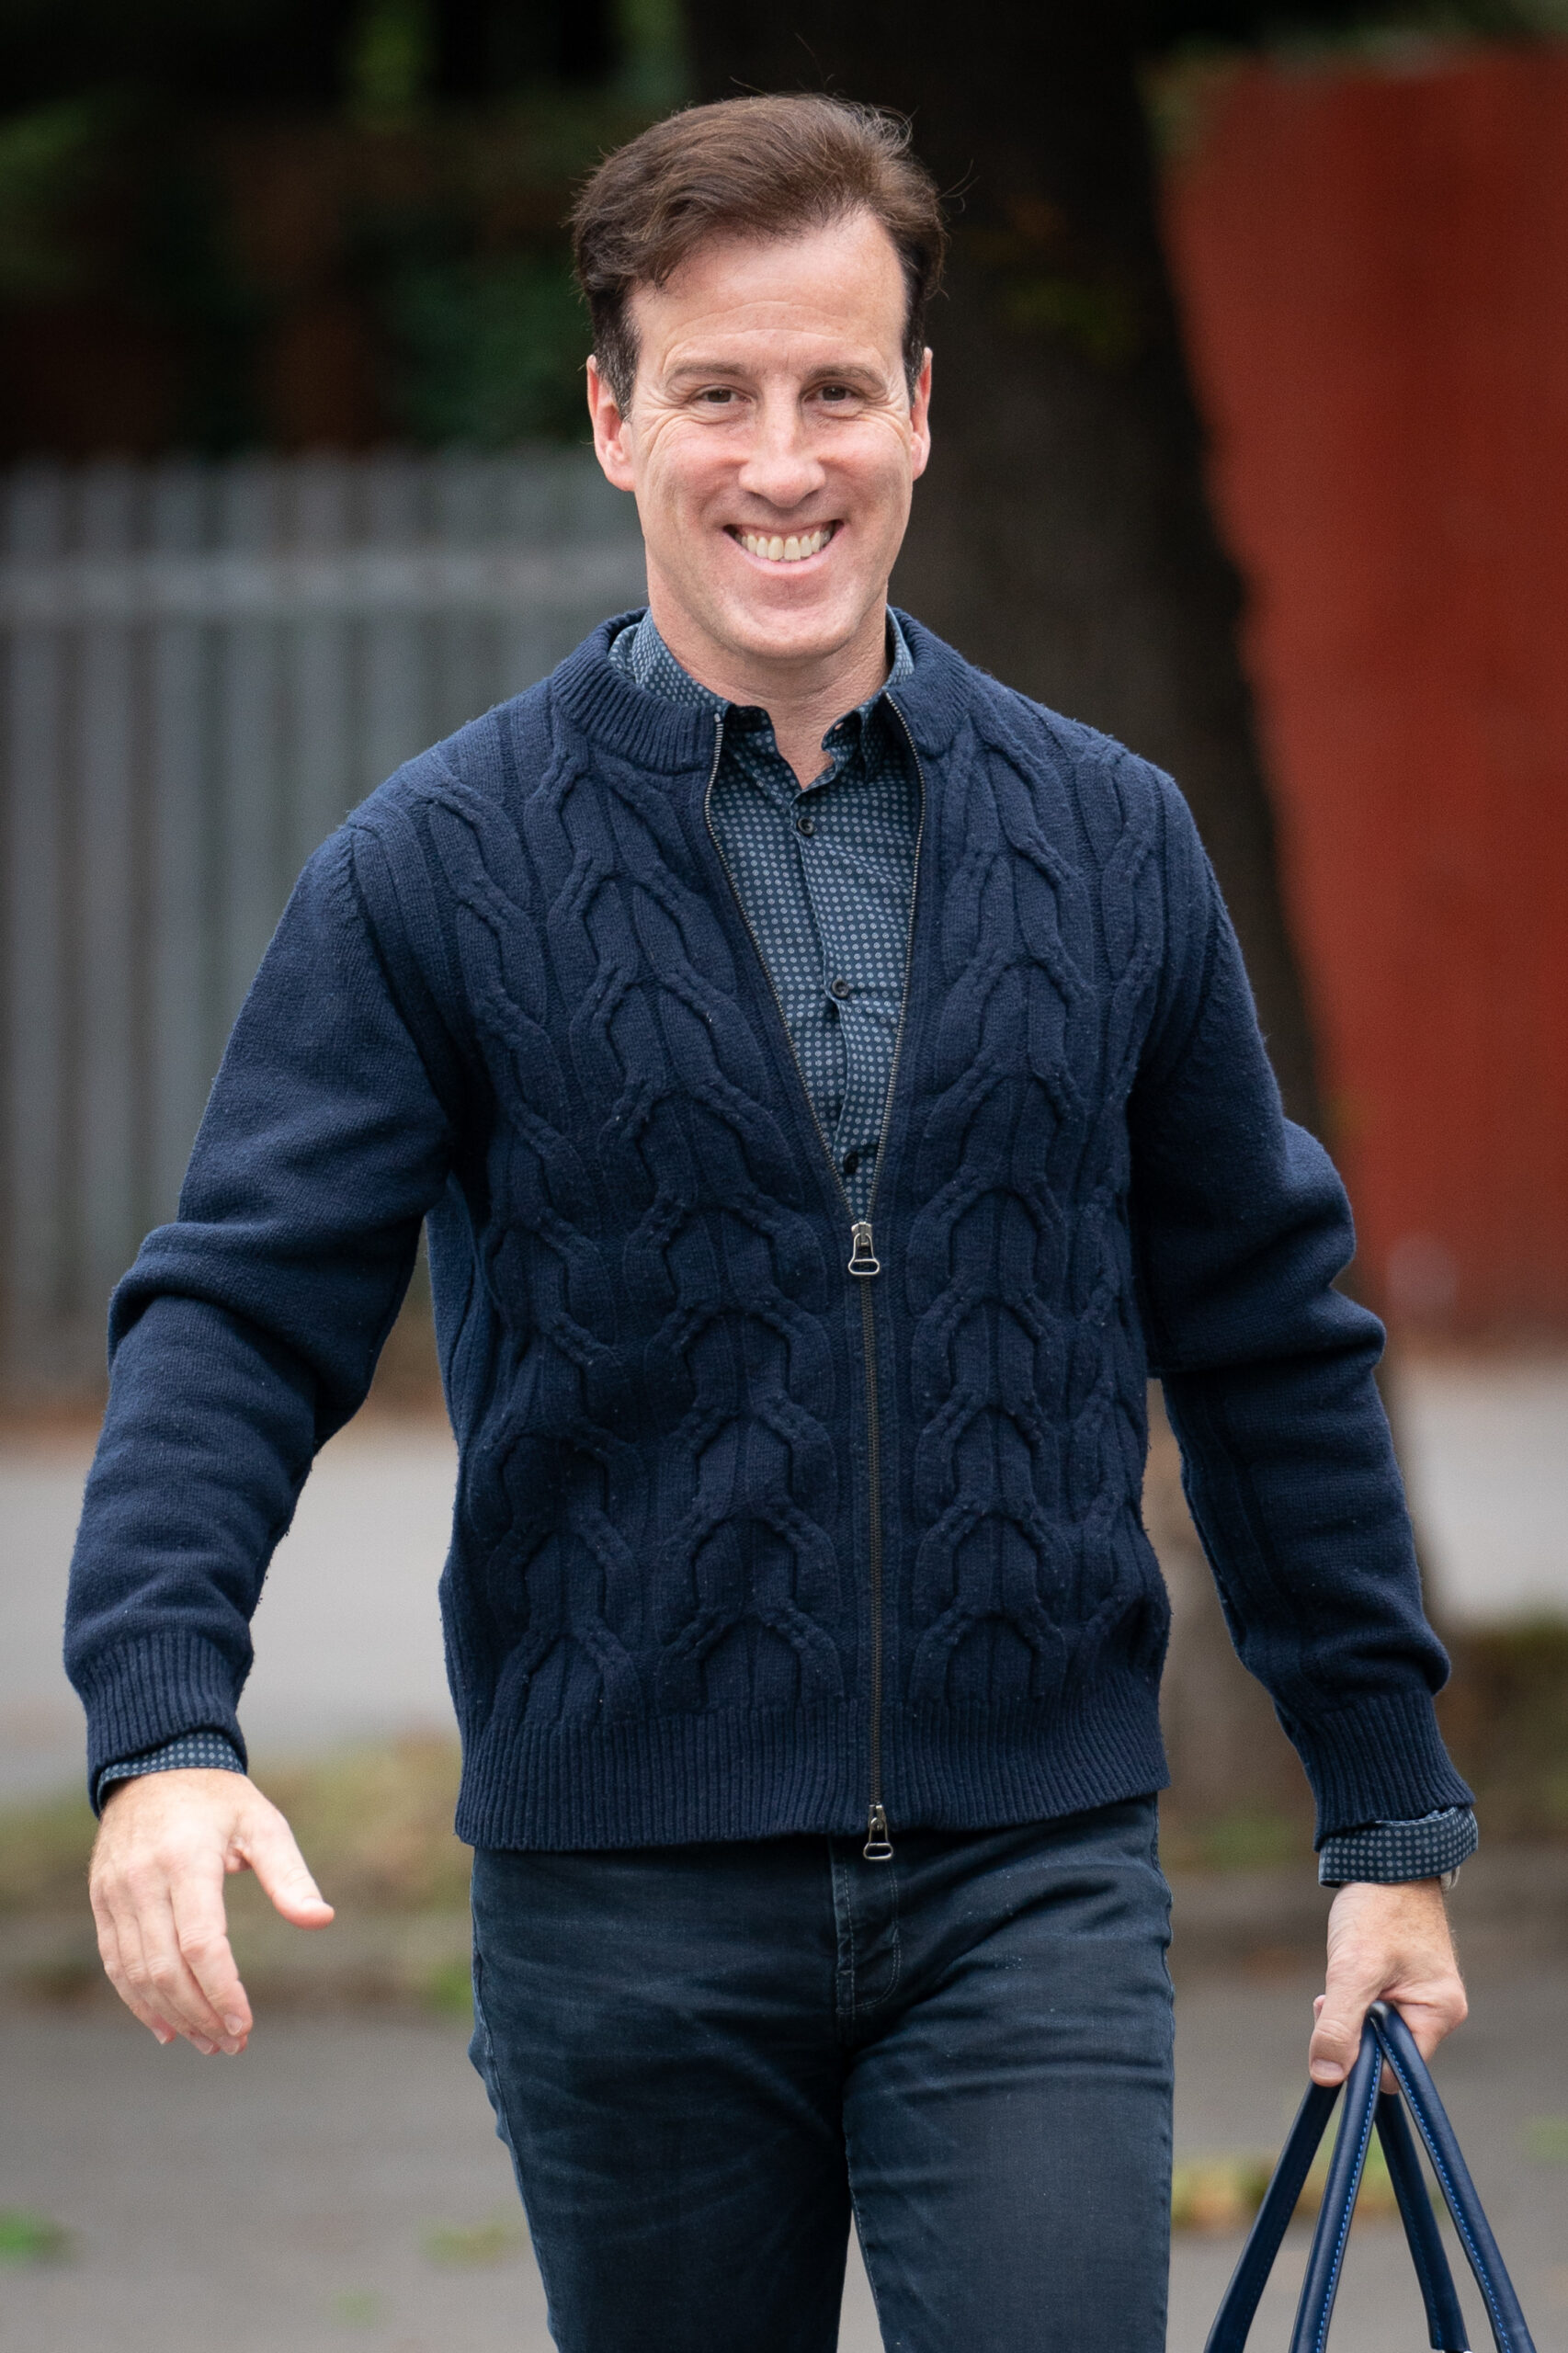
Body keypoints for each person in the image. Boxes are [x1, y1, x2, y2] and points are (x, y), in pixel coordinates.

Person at [69, 93, 1475, 2353]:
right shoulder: (437, 869)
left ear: (918, 406)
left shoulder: (1110, 841)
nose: (782, 461)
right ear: (613, 416)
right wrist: (164, 1725)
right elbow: (236, 1315)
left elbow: (1263, 1335)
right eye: (716, 392)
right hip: (618, 1907)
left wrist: (1386, 1820)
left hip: (1030, 1878)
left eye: (834, 388)